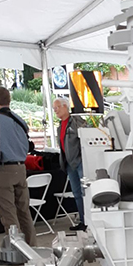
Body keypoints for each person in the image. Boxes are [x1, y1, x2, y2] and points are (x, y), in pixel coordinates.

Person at [0, 87, 37, 246]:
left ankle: (17, 250)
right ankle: (32, 246)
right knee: (24, 211)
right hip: (20, 168)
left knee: (8, 213)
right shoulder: (19, 120)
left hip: (3, 170)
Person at [53, 97, 87, 231]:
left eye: (57, 108)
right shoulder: (60, 126)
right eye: (54, 108)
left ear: (65, 107)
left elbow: (85, 135)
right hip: (69, 164)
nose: (55, 111)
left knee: (85, 192)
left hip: (79, 161)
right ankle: (82, 220)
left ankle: (88, 221)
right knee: (77, 193)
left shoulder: (76, 121)